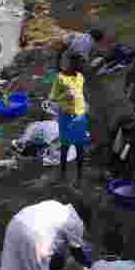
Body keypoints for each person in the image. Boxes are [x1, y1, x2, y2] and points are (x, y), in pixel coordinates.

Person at [50, 53, 91, 182]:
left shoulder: (80, 77)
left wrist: (84, 106)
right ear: (72, 64)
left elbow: (80, 94)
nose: (82, 68)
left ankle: (80, 175)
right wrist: (64, 95)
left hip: (80, 117)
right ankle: (63, 174)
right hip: (66, 117)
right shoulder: (60, 78)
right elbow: (52, 99)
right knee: (65, 146)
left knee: (80, 146)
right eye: (80, 65)